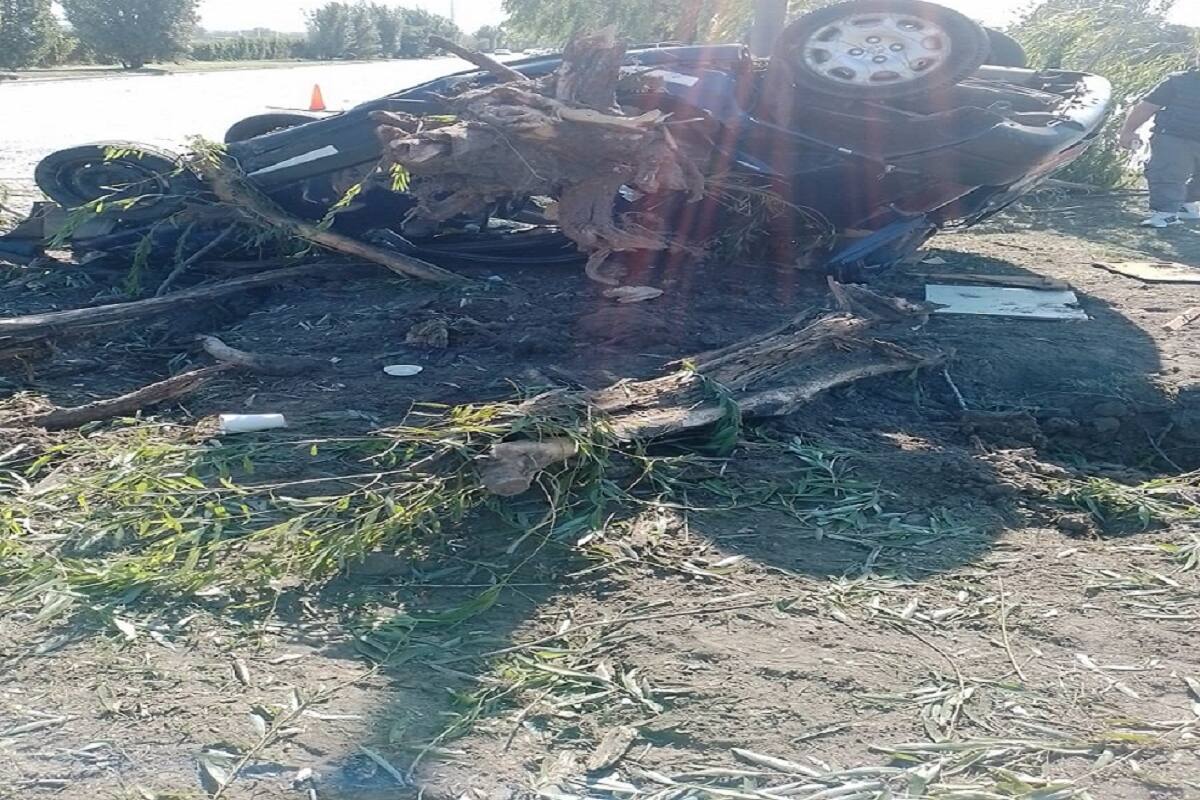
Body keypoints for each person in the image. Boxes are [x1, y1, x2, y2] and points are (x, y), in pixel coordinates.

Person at [1120, 67, 1200, 228]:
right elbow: (1147, 107)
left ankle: (1185, 204)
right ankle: (1166, 214)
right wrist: (1128, 131)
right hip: (1174, 136)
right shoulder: (1178, 81)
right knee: (1167, 173)